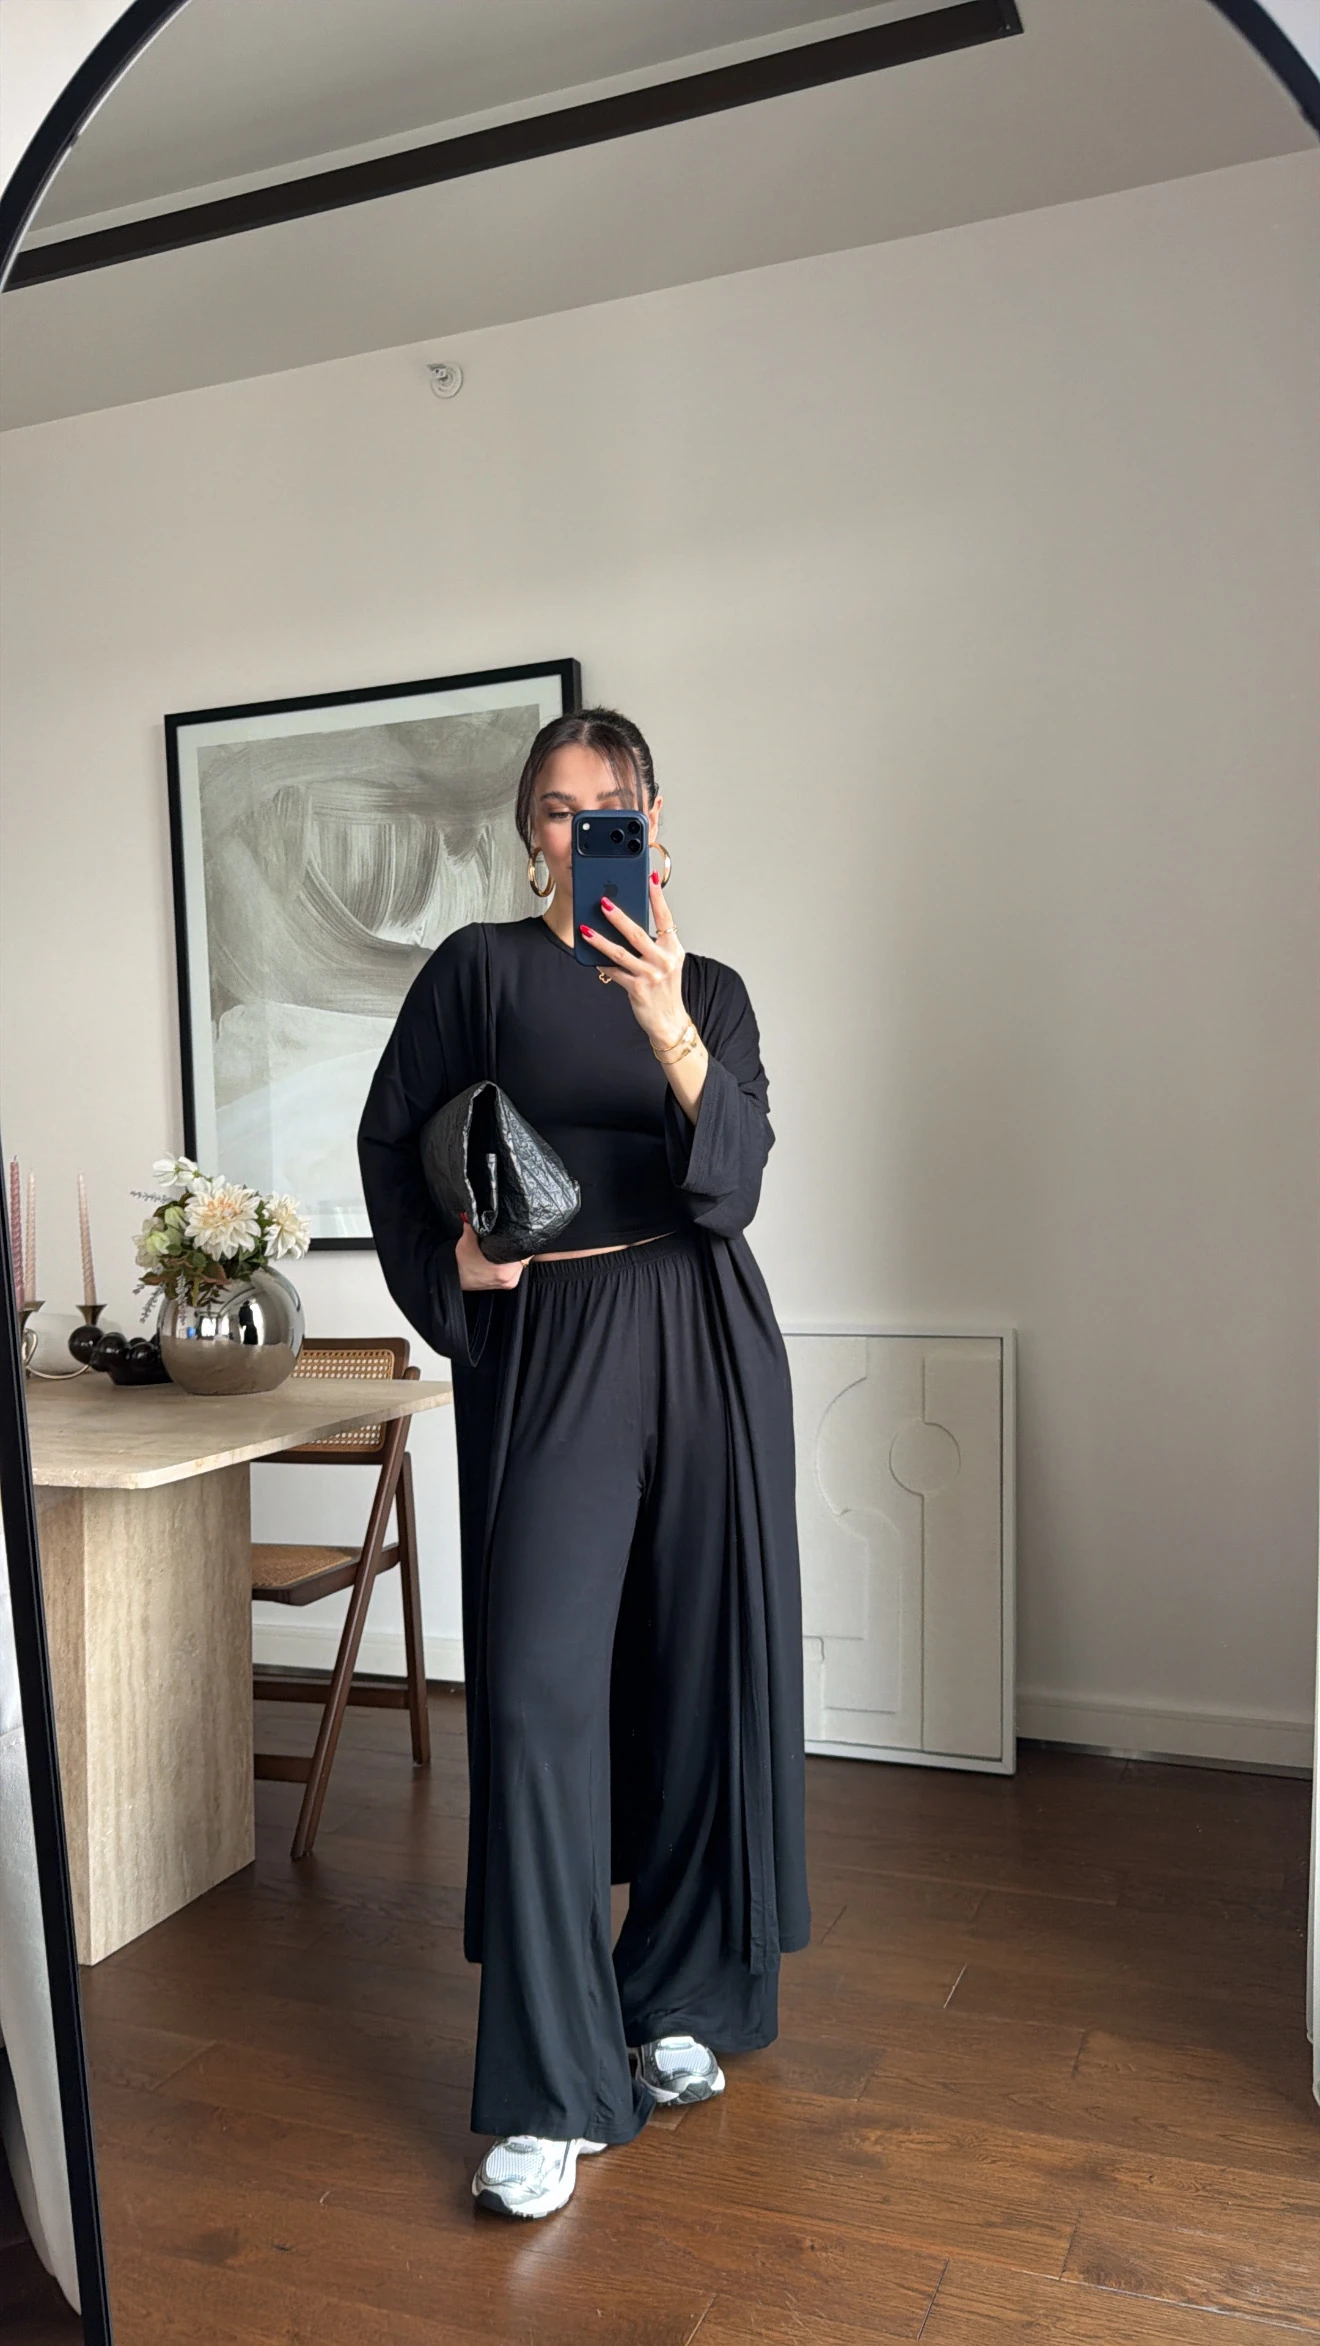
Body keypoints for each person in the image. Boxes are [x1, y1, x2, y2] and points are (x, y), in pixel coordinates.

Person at [357, 706, 810, 2220]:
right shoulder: (477, 972)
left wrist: (672, 1022)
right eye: (558, 807)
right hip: (556, 1337)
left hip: (707, 1333)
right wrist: (453, 1265)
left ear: (654, 823)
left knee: (697, 1671)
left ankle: (671, 1995)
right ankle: (554, 2088)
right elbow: (389, 1142)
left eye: (612, 802)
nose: (583, 826)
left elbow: (734, 1185)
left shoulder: (712, 989)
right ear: (529, 834)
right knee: (540, 1690)